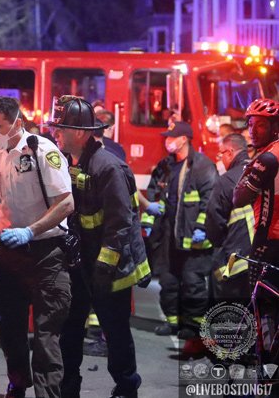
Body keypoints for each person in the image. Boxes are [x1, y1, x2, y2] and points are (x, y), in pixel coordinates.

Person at [48, 95, 150, 398]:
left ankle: (126, 386)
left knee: (115, 331)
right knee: (70, 329)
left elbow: (120, 223)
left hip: (111, 265)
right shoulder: (68, 162)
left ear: (79, 132)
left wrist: (105, 266)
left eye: (61, 128)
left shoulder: (109, 167)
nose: (55, 134)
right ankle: (69, 387)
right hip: (80, 262)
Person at [0, 96, 74, 398]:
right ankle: (18, 384)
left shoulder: (42, 151)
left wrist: (30, 231)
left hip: (47, 252)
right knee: (9, 329)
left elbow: (66, 203)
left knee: (46, 335)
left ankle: (47, 394)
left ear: (17, 124)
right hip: (11, 254)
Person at [145, 122, 217, 338]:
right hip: (168, 236)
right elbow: (153, 193)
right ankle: (173, 321)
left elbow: (209, 200)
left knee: (192, 282)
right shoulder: (165, 165)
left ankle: (192, 326)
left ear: (184, 139)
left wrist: (202, 228)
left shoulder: (202, 166)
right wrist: (148, 222)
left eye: (171, 137)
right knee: (168, 281)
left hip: (193, 238)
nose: (167, 141)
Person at [206, 133, 253, 302]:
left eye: (221, 154)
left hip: (237, 260)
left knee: (233, 313)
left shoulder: (226, 180)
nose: (220, 159)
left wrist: (218, 245)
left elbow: (213, 221)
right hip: (263, 258)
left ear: (230, 152)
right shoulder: (261, 173)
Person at [233, 98, 279, 265]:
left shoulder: (268, 158)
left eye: (260, 125)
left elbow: (238, 199)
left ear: (274, 128)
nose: (253, 131)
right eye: (250, 124)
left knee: (259, 291)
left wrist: (250, 167)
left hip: (268, 240)